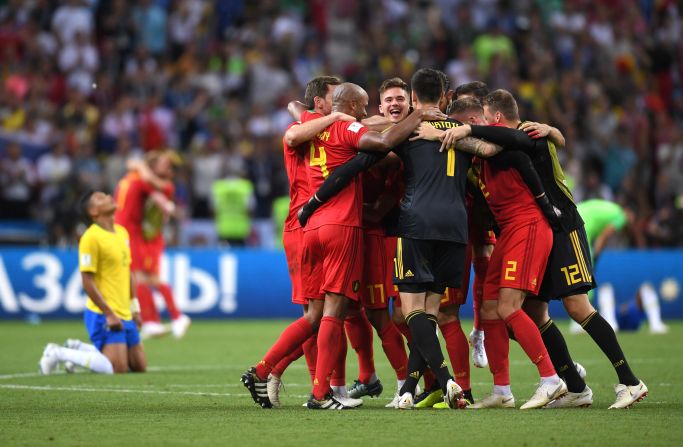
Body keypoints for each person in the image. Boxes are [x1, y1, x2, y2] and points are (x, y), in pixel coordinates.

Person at [443, 90, 647, 409]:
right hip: (539, 228)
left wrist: (550, 131)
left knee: (577, 306)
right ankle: (576, 386)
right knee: (533, 313)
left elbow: (504, 144)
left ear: (493, 116)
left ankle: (630, 381)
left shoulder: (527, 132)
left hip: (563, 224)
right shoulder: (515, 135)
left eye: (481, 112)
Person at [39, 190, 147, 375]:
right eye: (100, 198)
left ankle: (78, 347)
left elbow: (128, 271)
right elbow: (87, 281)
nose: (107, 196)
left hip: (124, 311)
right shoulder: (91, 238)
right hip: (102, 313)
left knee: (139, 366)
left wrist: (134, 306)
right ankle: (57, 353)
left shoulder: (122, 233)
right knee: (117, 367)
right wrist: (109, 313)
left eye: (105, 194)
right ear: (94, 212)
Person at [115, 150, 191, 339]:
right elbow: (131, 162)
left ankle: (156, 321)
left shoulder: (158, 184)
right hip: (136, 234)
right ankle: (164, 319)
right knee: (144, 278)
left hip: (145, 237)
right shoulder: (140, 179)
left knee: (143, 278)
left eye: (166, 164)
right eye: (160, 162)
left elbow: (157, 193)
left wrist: (139, 165)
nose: (162, 165)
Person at [578, 199, 668, 334]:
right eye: (633, 218)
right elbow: (604, 236)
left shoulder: (612, 209)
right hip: (580, 227)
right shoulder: (620, 216)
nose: (631, 223)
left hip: (574, 216)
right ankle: (580, 320)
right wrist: (595, 258)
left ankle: (579, 319)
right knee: (586, 274)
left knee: (580, 273)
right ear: (629, 213)